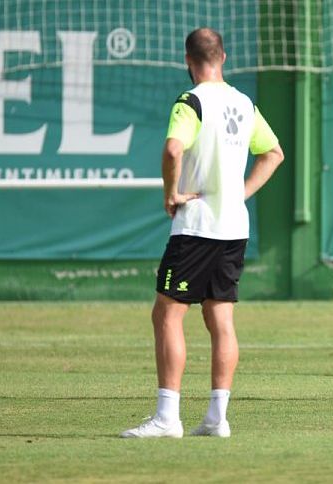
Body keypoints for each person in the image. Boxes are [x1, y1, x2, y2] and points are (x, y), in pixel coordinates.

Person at [121, 28, 284, 438]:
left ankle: (167, 417)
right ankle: (217, 417)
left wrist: (170, 193)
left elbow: (173, 149)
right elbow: (274, 153)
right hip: (233, 227)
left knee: (166, 313)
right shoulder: (243, 103)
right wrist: (240, 194)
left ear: (188, 61)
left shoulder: (190, 101)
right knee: (220, 318)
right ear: (224, 57)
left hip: (196, 226)